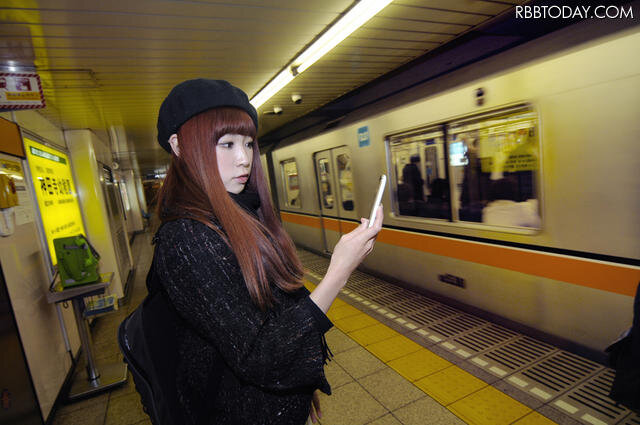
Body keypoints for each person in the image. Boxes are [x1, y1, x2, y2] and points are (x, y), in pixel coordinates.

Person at [149, 79, 383, 425]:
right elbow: (262, 354)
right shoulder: (187, 238)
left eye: (247, 143)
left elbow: (274, 314)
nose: (244, 158)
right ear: (179, 146)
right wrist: (338, 272)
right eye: (226, 144)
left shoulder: (240, 212)